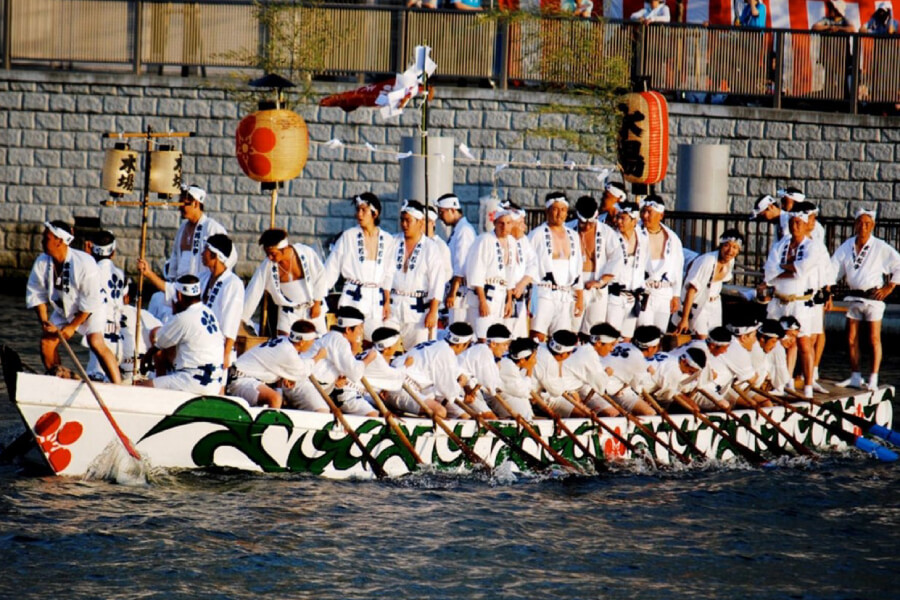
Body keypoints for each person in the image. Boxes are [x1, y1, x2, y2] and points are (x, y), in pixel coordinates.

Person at [26, 221, 122, 383]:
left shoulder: (84, 263)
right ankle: (58, 380)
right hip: (64, 309)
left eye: (46, 238)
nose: (42, 241)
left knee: (95, 341)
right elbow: (37, 293)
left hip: (92, 309)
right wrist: (44, 321)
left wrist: (72, 327)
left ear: (59, 241)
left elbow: (91, 300)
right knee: (47, 341)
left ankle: (117, 384)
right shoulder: (42, 262)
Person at [140, 234, 244, 371]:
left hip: (217, 345)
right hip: (196, 336)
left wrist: (225, 354)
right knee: (158, 339)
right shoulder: (203, 277)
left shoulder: (233, 284)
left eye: (205, 249)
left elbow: (231, 322)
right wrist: (148, 274)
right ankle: (164, 383)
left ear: (215, 255)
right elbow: (174, 290)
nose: (201, 253)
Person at [761, 208, 831, 397]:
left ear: (805, 223)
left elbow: (803, 268)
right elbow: (769, 270)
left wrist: (781, 268)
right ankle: (777, 382)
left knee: (803, 343)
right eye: (792, 222)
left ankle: (808, 386)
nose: (795, 226)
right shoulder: (781, 244)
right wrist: (787, 268)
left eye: (798, 222)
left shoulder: (812, 246)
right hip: (778, 300)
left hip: (799, 302)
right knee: (772, 340)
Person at [831, 208, 900, 390]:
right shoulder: (847, 246)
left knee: (873, 338)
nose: (863, 227)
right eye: (860, 223)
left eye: (868, 224)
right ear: (855, 224)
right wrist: (827, 287)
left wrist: (890, 286)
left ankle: (873, 378)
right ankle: (855, 375)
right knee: (851, 338)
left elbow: (898, 264)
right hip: (854, 296)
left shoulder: (880, 246)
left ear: (873, 226)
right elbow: (834, 267)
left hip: (873, 297)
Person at [320, 193, 396, 341]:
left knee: (378, 339)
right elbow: (332, 268)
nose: (359, 214)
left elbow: (389, 273)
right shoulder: (348, 236)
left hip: (376, 300)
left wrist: (387, 302)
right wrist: (318, 298)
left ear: (375, 213)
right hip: (353, 298)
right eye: (358, 210)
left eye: (363, 210)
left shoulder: (388, 240)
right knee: (351, 341)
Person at [283, 306, 379, 416]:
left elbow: (342, 369)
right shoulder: (338, 340)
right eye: (360, 327)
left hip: (307, 385)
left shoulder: (333, 337)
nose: (361, 332)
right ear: (348, 329)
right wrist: (368, 359)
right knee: (323, 412)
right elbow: (355, 373)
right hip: (301, 382)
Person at [138, 274, 225, 395]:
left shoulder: (183, 318)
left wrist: (146, 358)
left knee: (141, 387)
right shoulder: (208, 312)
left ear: (179, 296)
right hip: (214, 383)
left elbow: (158, 340)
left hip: (194, 381)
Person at [242, 229, 327, 336]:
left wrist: (317, 303)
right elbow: (254, 290)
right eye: (267, 254)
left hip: (311, 307)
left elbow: (321, 274)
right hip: (288, 311)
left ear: (284, 249)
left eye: (272, 254)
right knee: (284, 344)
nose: (269, 257)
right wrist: (242, 319)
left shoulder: (305, 252)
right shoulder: (268, 265)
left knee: (319, 343)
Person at [226, 320, 324, 408]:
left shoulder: (283, 340)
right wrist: (319, 356)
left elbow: (277, 364)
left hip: (243, 377)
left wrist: (286, 376)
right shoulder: (287, 351)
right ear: (302, 342)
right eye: (311, 341)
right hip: (238, 381)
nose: (312, 344)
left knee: (278, 394)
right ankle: (271, 427)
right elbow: (303, 371)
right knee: (275, 398)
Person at [528, 191, 584, 341]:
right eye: (555, 209)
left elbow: (578, 267)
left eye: (563, 210)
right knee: (537, 336)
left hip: (565, 294)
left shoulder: (573, 235)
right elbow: (527, 265)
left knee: (562, 339)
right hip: (543, 292)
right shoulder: (537, 234)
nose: (559, 214)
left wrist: (580, 297)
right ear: (547, 210)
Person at [390, 200, 444, 349]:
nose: (404, 224)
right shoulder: (393, 242)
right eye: (402, 220)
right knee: (388, 351)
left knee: (418, 355)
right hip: (393, 308)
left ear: (420, 222)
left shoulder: (431, 248)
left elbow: (437, 283)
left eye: (408, 220)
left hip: (419, 312)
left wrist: (433, 311)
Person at [674, 229, 743, 339]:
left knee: (714, 338)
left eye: (734, 247)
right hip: (699, 304)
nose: (730, 250)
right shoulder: (707, 261)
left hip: (715, 304)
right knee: (702, 339)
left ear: (739, 250)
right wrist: (684, 319)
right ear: (720, 246)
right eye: (727, 246)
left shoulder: (730, 260)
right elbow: (691, 290)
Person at [568, 195, 617, 339]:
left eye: (591, 223)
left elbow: (617, 260)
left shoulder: (606, 232)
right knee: (572, 327)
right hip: (574, 284)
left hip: (597, 283)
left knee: (595, 330)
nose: (588, 227)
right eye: (583, 223)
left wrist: (601, 281)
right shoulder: (568, 229)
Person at [83, 229, 126, 381]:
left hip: (100, 335)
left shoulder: (92, 272)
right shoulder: (121, 274)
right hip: (118, 336)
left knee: (96, 378)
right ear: (113, 252)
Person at [466, 209, 514, 340]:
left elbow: (510, 273)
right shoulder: (484, 240)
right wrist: (482, 301)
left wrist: (509, 300)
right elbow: (476, 271)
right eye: (501, 223)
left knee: (497, 337)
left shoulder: (512, 242)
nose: (504, 227)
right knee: (482, 336)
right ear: (495, 223)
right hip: (485, 292)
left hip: (501, 293)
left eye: (508, 223)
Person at [638, 195, 683, 331]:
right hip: (644, 291)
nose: (645, 216)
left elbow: (677, 268)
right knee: (644, 332)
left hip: (664, 293)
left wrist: (676, 295)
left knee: (659, 333)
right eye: (643, 211)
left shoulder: (672, 238)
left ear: (660, 215)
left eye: (649, 212)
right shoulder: (636, 233)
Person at [604, 202, 648, 341]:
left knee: (627, 338)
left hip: (633, 296)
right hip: (615, 295)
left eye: (623, 218)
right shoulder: (611, 237)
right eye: (617, 217)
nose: (618, 221)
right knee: (610, 337)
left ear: (634, 220)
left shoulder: (643, 238)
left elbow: (643, 264)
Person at [168, 185, 226, 280]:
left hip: (201, 285)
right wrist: (171, 279)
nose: (180, 208)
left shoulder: (211, 227)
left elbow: (230, 256)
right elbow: (174, 256)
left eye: (183, 204)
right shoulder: (182, 228)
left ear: (195, 204)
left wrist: (214, 279)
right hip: (180, 285)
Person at [438, 193, 476, 325]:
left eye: (442, 212)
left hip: (460, 293)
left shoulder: (464, 231)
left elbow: (461, 264)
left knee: (457, 331)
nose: (440, 217)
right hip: (457, 291)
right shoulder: (458, 230)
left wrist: (452, 292)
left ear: (452, 210)